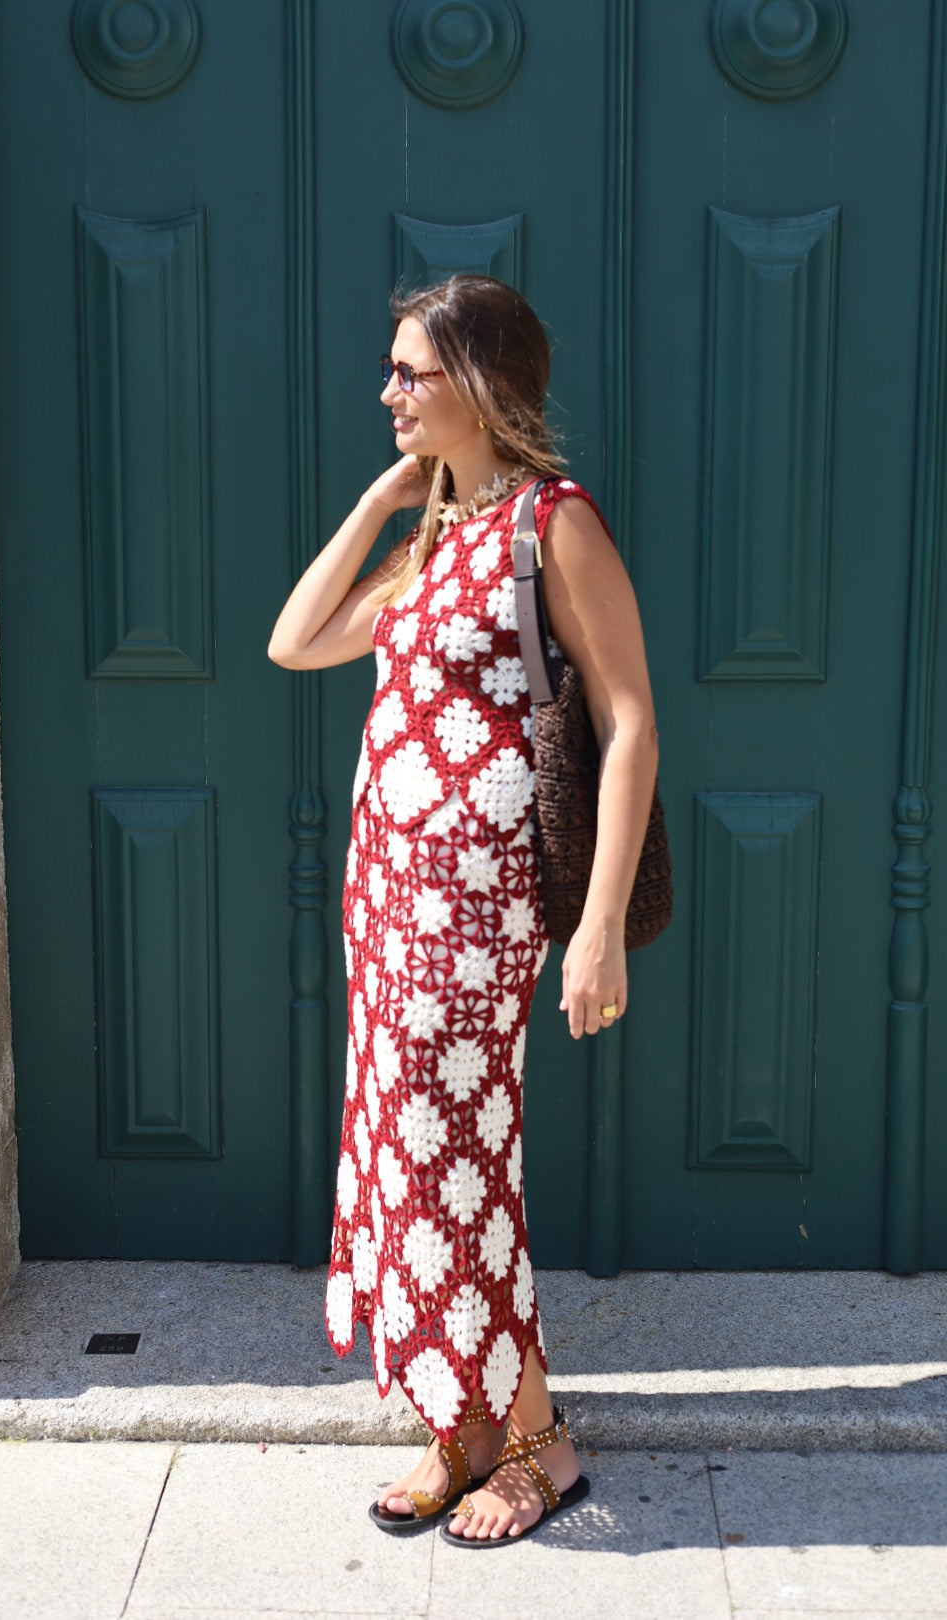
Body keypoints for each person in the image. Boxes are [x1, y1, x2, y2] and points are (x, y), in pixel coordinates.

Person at [267, 274, 659, 1544]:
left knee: (454, 1166)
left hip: (477, 915)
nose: (388, 390)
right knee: (402, 1157)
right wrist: (384, 502)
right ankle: (464, 1422)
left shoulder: (554, 523)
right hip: (387, 904)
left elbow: (631, 724)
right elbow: (296, 640)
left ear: (481, 385)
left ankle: (540, 1442)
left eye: (411, 372)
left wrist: (598, 927)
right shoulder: (438, 532)